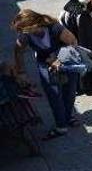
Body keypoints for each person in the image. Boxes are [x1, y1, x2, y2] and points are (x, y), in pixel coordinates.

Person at [12, 10, 81, 140]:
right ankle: (61, 126)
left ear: (33, 25)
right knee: (53, 93)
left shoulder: (55, 28)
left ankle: (68, 116)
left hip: (66, 59)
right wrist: (21, 72)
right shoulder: (25, 35)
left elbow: (73, 42)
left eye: (22, 30)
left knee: (69, 90)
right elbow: (18, 51)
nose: (20, 34)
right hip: (45, 62)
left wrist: (59, 60)